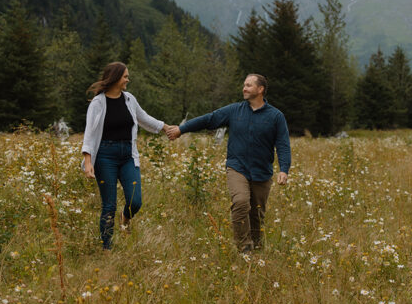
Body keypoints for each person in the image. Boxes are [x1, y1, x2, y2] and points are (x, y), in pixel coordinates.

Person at [167, 73, 290, 253]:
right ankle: (244, 249)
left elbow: (283, 145)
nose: (244, 88)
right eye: (244, 85)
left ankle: (257, 250)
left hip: (262, 172)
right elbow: (209, 119)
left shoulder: (276, 116)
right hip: (237, 167)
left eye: (248, 85)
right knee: (241, 202)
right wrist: (181, 129)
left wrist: (284, 169)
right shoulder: (234, 110)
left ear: (260, 89)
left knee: (257, 215)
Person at [82, 62, 179, 250]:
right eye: (125, 76)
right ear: (116, 78)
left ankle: (125, 218)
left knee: (135, 201)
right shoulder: (98, 103)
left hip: (128, 156)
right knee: (109, 205)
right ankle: (106, 248)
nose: (128, 79)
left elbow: (144, 118)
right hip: (105, 157)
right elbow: (90, 133)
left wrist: (166, 127)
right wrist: (88, 161)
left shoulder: (129, 99)